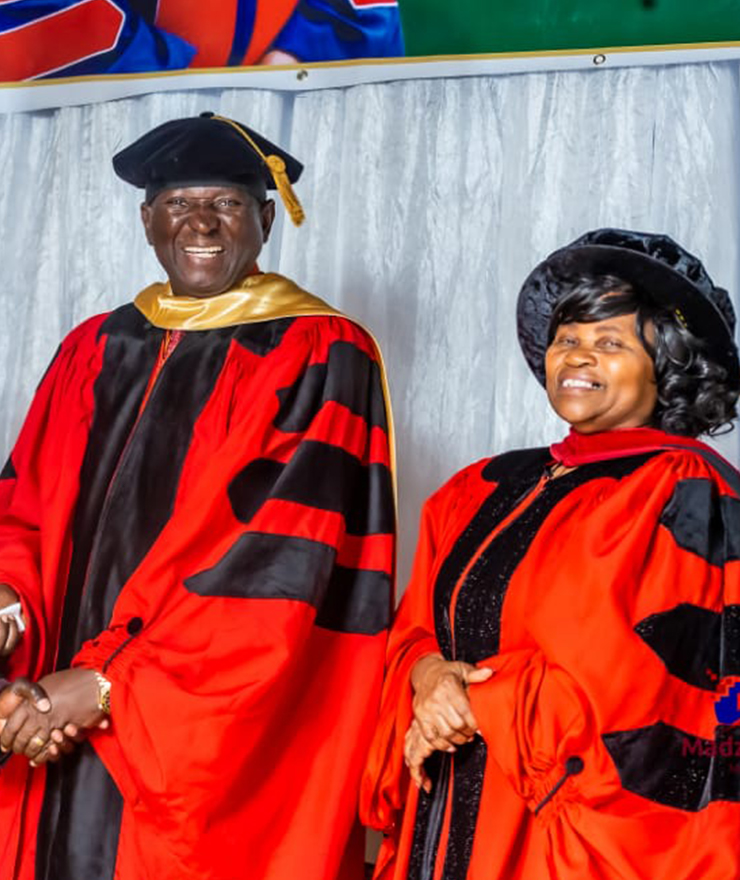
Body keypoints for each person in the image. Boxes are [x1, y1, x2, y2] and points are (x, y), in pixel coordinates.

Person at [0, 112, 395, 880]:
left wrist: (109, 685)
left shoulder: (320, 352)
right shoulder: (94, 347)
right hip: (53, 709)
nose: (202, 224)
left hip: (192, 725)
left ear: (267, 220)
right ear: (148, 219)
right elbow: (25, 504)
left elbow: (279, 564)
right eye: (180, 204)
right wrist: (9, 606)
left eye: (227, 203)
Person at [361, 228, 740, 879]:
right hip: (447, 808)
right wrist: (426, 678)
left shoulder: (685, 493)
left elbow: (645, 691)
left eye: (610, 343)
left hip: (559, 836)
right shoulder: (481, 486)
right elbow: (415, 626)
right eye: (567, 339)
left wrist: (471, 702)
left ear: (667, 366)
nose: (577, 356)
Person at [0, 0, 404, 81]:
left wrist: (300, 49)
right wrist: (186, 82)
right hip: (104, 123)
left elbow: (366, 12)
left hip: (280, 111)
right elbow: (28, 32)